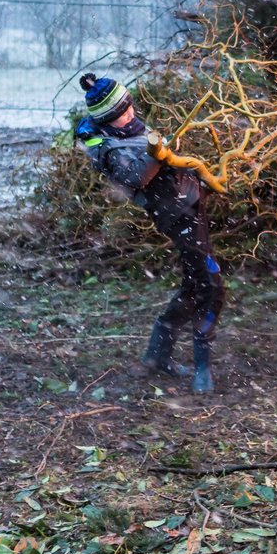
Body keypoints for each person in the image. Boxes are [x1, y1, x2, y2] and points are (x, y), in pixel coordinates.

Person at [74, 73, 224, 394]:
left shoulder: (131, 129)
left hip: (189, 203)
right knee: (210, 285)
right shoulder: (108, 148)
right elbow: (136, 176)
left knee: (197, 282)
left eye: (128, 108)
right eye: (120, 114)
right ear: (106, 119)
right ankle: (202, 364)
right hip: (174, 214)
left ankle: (157, 355)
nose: (129, 115)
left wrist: (173, 154)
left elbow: (158, 155)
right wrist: (159, 153)